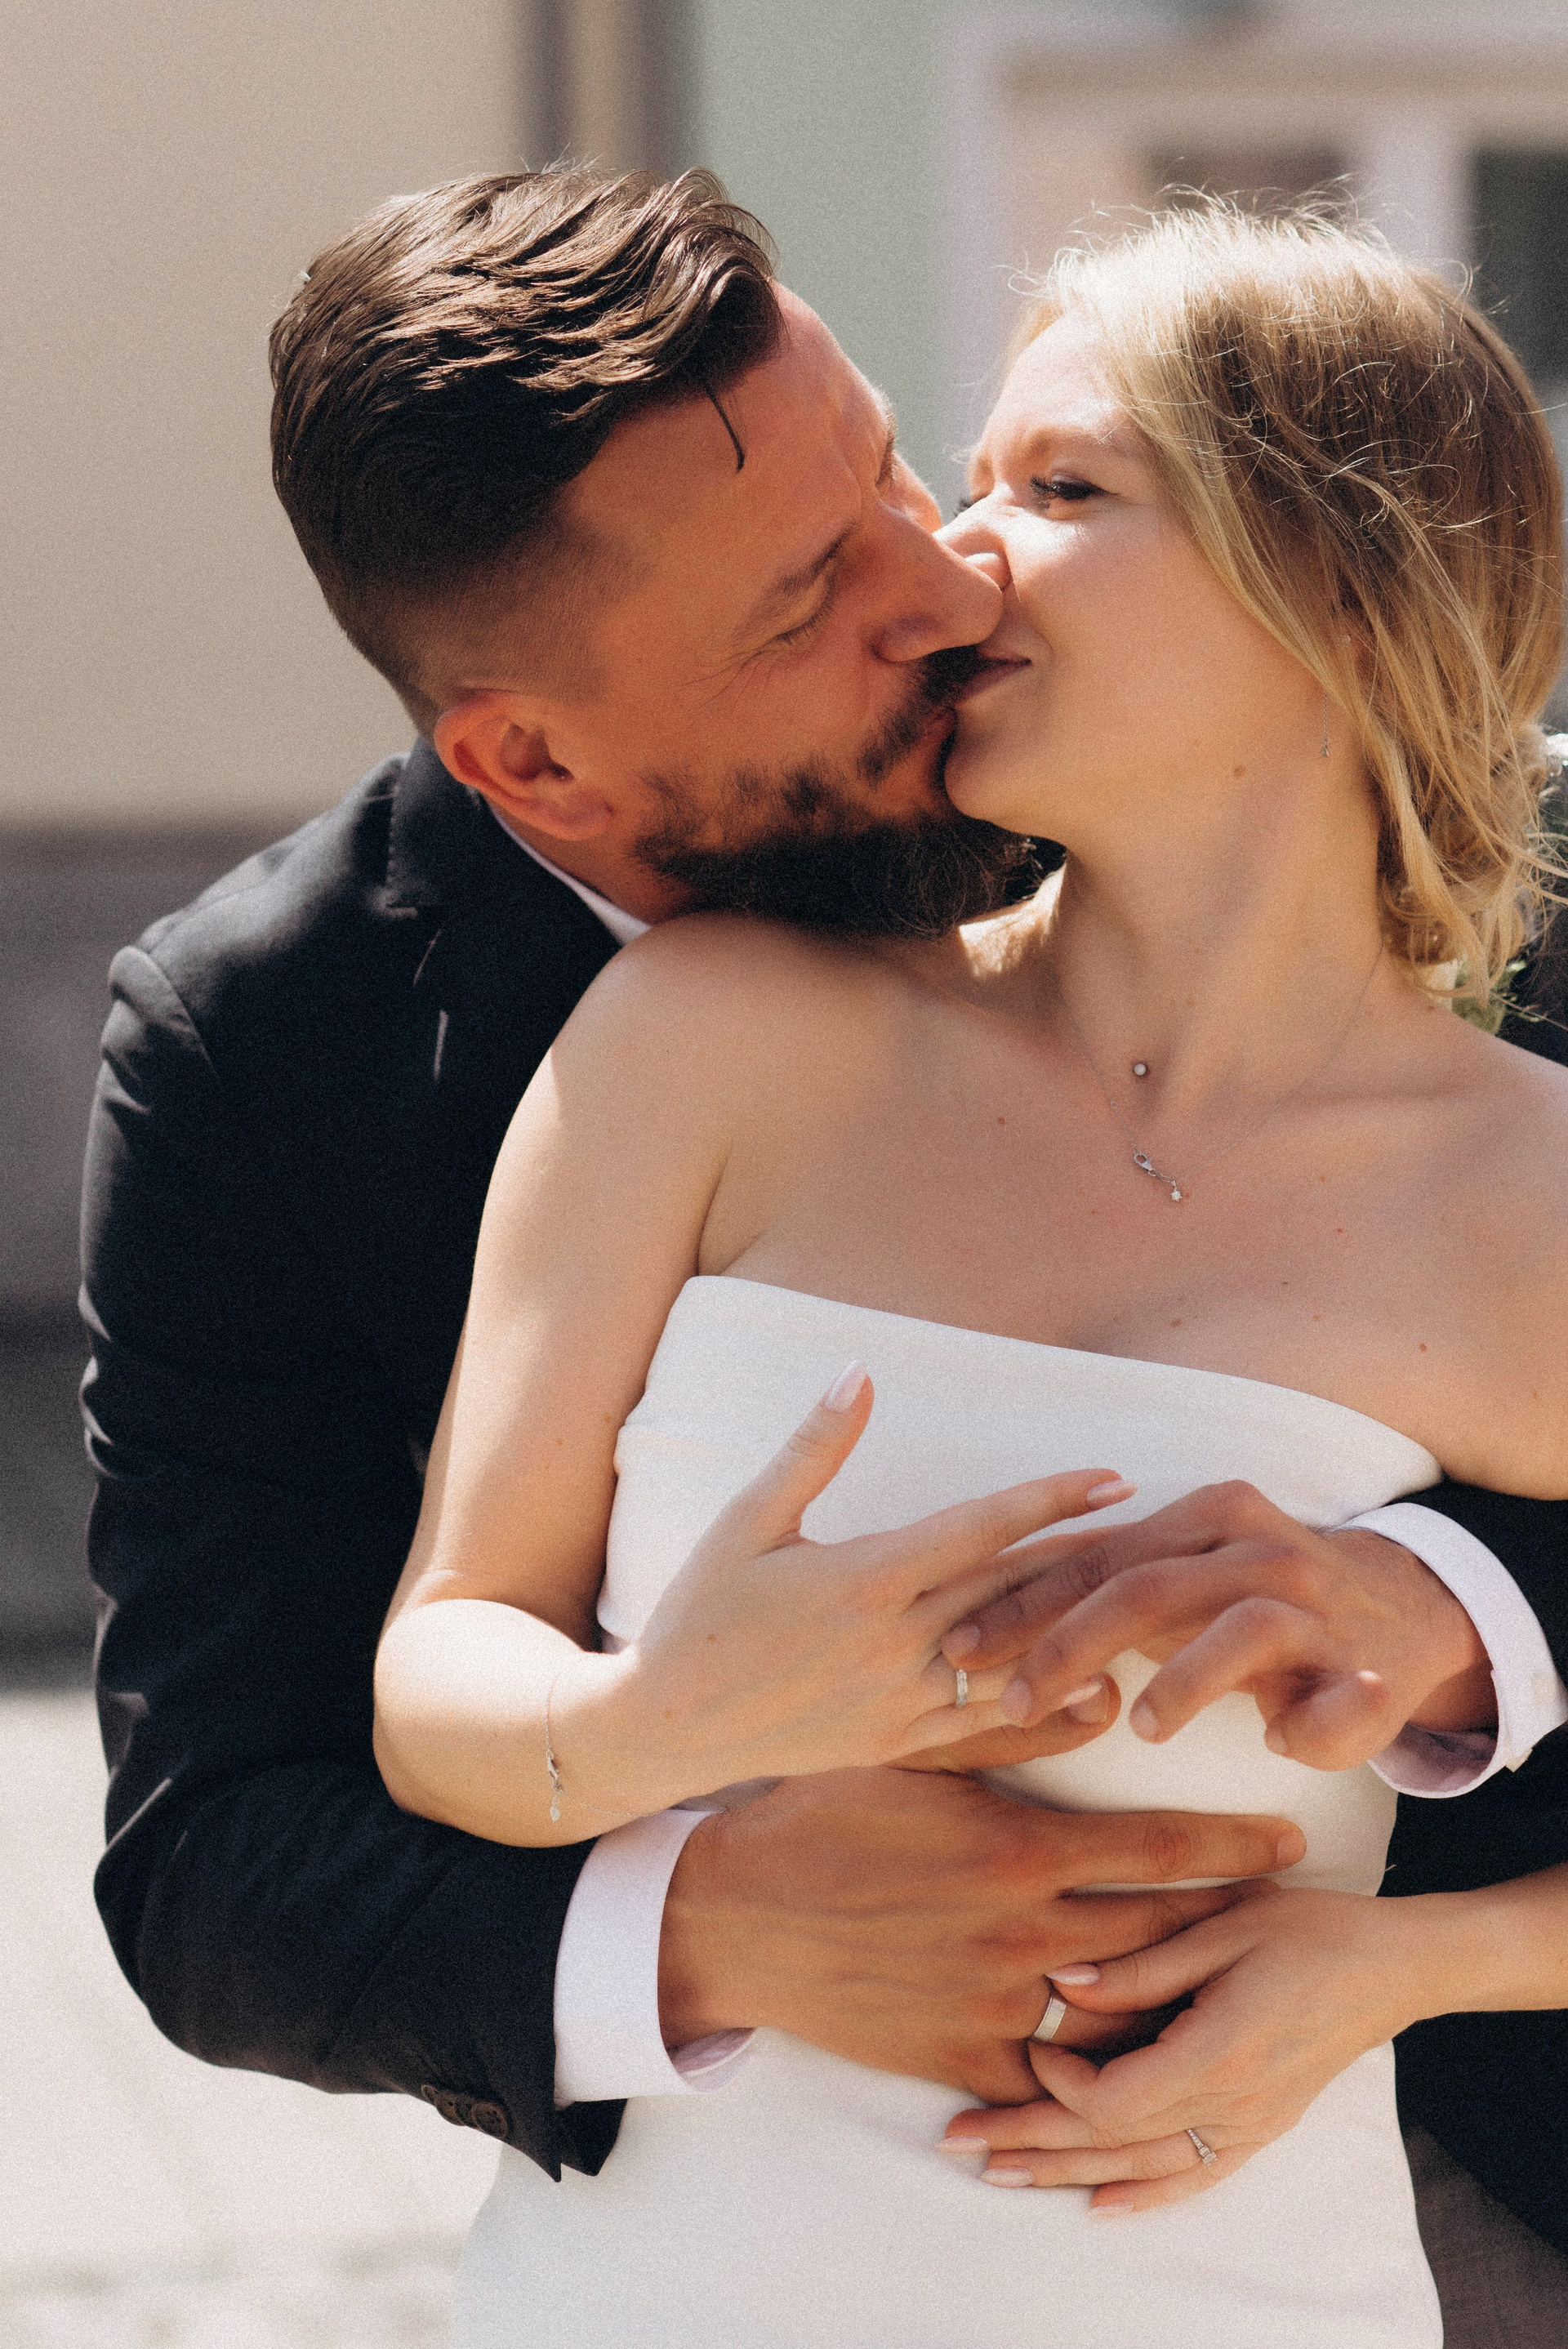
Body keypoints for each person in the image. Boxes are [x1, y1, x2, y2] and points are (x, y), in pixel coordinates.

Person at [78, 171, 1566, 2343]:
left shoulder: (1527, 1109)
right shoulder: (453, 1041)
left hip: (1391, 2205)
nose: (945, 576)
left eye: (927, 475)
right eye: (808, 599)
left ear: (1336, 583)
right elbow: (242, 1843)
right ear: (534, 760)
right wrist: (691, 1858)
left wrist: (1444, 1716)